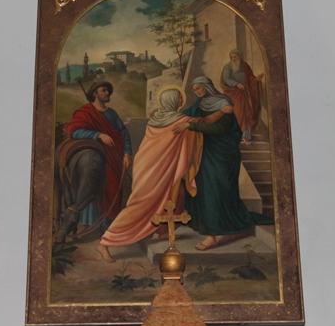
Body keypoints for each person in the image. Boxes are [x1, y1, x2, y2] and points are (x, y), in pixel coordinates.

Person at [96, 86, 233, 263]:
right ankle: (105, 242)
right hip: (156, 172)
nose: (181, 101)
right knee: (139, 208)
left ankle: (162, 231)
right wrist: (222, 111)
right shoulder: (179, 120)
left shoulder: (156, 118)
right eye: (178, 98)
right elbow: (205, 122)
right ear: (173, 101)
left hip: (146, 166)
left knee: (175, 195)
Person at [173, 77, 274, 251]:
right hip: (204, 153)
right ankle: (210, 232)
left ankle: (216, 233)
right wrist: (166, 114)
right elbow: (185, 116)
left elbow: (220, 129)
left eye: (199, 88)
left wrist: (191, 126)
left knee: (217, 192)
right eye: (195, 90)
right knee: (204, 191)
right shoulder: (200, 103)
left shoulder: (223, 103)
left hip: (222, 155)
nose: (197, 92)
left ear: (207, 86)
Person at [65, 81, 132, 225]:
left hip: (114, 157)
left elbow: (123, 133)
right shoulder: (86, 112)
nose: (107, 93)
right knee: (93, 186)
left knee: (113, 190)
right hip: (96, 156)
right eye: (103, 90)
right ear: (95, 94)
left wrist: (127, 153)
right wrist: (98, 135)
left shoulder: (111, 113)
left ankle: (110, 225)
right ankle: (92, 224)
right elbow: (74, 131)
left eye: (107, 91)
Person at [219, 49, 264, 145]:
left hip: (244, 93)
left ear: (239, 56)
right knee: (237, 113)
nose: (233, 59)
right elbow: (226, 79)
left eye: (235, 56)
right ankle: (234, 135)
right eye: (232, 57)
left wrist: (257, 80)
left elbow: (250, 78)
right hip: (233, 94)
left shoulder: (245, 66)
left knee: (246, 113)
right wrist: (236, 84)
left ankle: (244, 136)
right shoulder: (227, 67)